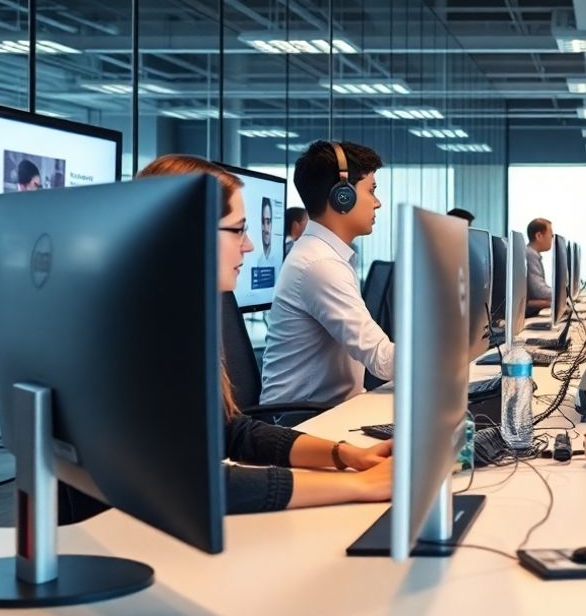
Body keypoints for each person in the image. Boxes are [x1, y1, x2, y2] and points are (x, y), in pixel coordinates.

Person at [134, 155, 393, 513]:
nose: (251, 245)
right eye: (238, 229)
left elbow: (231, 431)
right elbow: (201, 485)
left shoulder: (179, 321)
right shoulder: (140, 343)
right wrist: (360, 484)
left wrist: (345, 455)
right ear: (190, 232)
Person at [261, 141, 396, 406]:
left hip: (330, 409)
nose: (378, 203)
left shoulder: (325, 256)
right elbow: (381, 359)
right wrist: (449, 356)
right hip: (302, 421)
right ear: (342, 196)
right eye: (372, 190)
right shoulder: (320, 265)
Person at [525, 217, 553, 312]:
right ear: (539, 236)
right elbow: (539, 291)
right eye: (551, 235)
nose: (552, 239)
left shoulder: (532, 254)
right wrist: (562, 295)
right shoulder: (530, 255)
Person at [259, 196, 275, 263]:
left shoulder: (277, 259)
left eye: (268, 222)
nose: (266, 229)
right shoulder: (259, 262)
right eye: (263, 222)